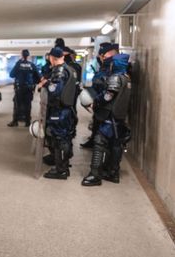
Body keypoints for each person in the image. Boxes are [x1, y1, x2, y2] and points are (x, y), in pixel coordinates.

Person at [82, 44, 131, 186]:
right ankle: (113, 173)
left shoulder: (115, 78)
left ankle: (95, 175)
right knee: (116, 145)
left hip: (110, 117)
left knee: (99, 142)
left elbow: (108, 96)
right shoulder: (126, 78)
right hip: (118, 118)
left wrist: (96, 102)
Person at [40, 47, 77, 179]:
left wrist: (45, 83)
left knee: (59, 139)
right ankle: (63, 166)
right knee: (64, 138)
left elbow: (55, 90)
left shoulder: (59, 71)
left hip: (59, 110)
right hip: (66, 109)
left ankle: (61, 170)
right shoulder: (69, 69)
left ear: (52, 58)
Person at [7, 49, 41, 127]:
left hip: (19, 88)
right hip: (29, 88)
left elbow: (11, 75)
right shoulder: (32, 65)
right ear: (28, 56)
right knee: (28, 105)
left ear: (22, 55)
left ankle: (15, 121)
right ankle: (27, 122)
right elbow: (38, 77)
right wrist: (33, 82)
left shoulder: (18, 64)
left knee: (17, 105)